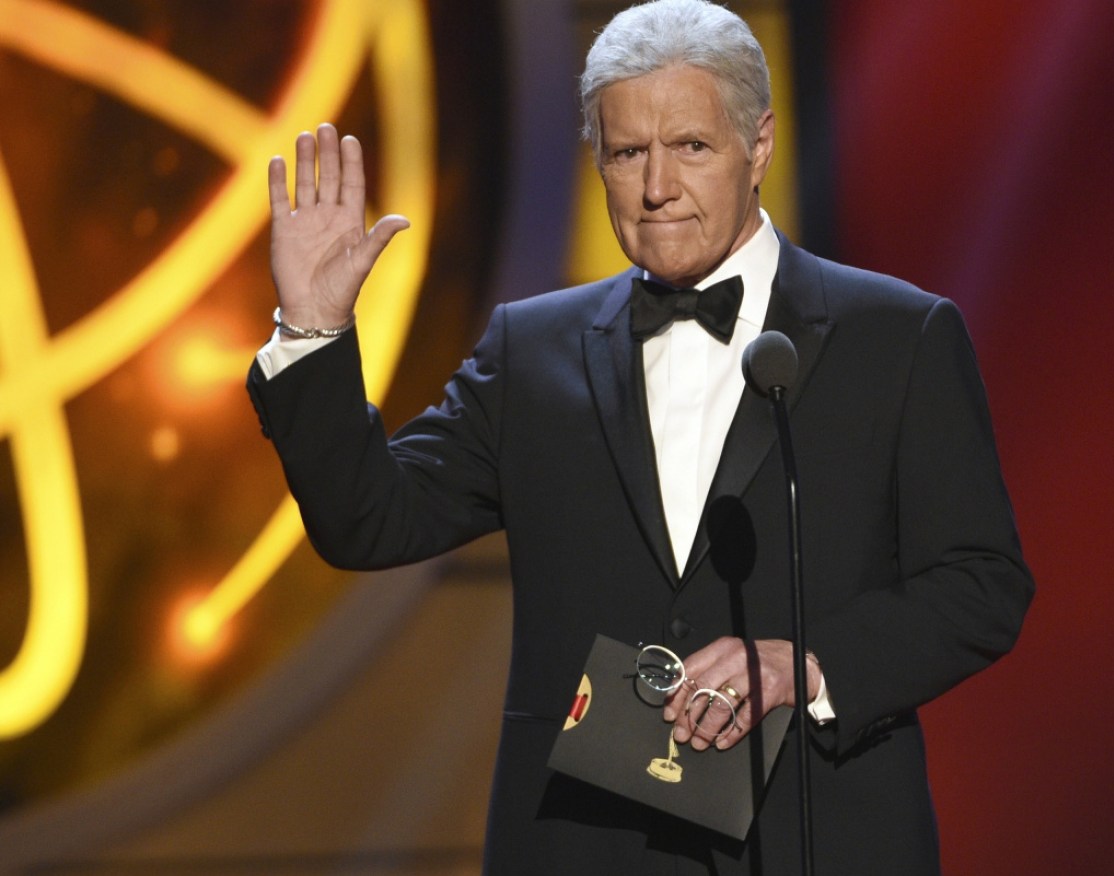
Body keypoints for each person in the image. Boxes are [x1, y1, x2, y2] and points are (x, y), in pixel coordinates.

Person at [247, 0, 1034, 872]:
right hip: (591, 844)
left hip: (813, 836)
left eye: (690, 146)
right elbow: (369, 521)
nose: (656, 185)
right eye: (627, 153)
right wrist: (311, 332)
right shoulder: (531, 352)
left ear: (758, 144)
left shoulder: (896, 336)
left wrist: (801, 664)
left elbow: (980, 585)